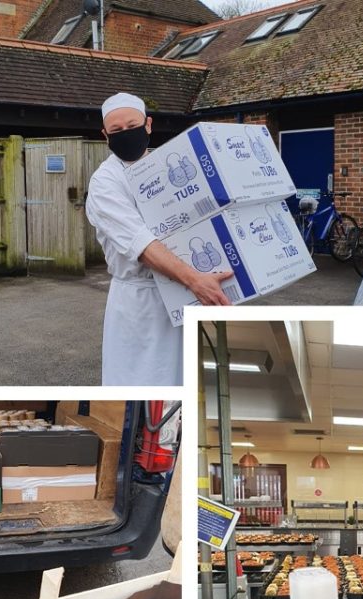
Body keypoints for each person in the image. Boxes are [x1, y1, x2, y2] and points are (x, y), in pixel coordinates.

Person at [85, 92, 233, 386]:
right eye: (116, 131)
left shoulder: (166, 168)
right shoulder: (105, 182)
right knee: (140, 383)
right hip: (140, 304)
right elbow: (141, 245)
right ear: (105, 135)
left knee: (186, 382)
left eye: (133, 125)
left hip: (183, 296)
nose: (126, 134)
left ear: (148, 125)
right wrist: (195, 280)